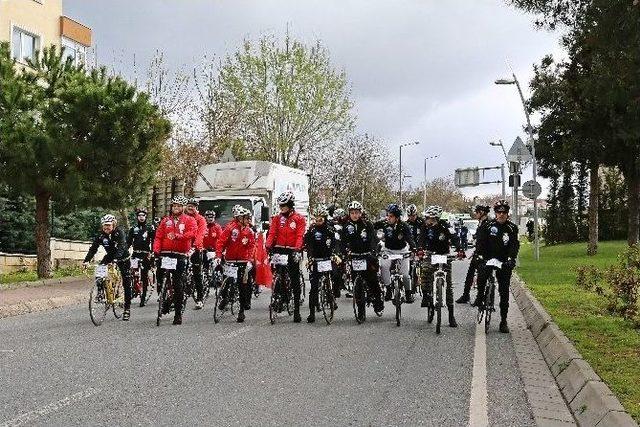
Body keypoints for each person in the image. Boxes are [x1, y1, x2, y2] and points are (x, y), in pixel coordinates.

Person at [474, 199, 520, 333]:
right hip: (488, 258)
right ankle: (481, 298)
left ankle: (503, 320)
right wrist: (479, 255)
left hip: (503, 260)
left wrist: (512, 258)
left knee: (504, 291)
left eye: (504, 212)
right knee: (482, 276)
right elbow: (480, 242)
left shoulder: (511, 228)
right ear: (495, 213)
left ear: (507, 213)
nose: (501, 215)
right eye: (499, 212)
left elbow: (514, 245)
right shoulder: (487, 226)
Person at [153, 196, 198, 325]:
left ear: (183, 208)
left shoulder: (189, 220)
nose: (176, 208)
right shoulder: (166, 220)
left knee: (178, 284)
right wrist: (156, 250)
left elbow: (192, 234)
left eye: (178, 206)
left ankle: (178, 314)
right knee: (160, 278)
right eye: (174, 206)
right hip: (165, 253)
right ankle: (164, 299)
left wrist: (179, 236)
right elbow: (158, 236)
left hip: (180, 254)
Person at [265, 191, 306, 323]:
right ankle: (280, 298)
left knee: (294, 278)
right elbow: (272, 233)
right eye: (280, 205)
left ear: (290, 205)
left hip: (293, 250)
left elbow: (300, 236)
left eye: (284, 205)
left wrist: (297, 249)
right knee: (279, 275)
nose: (282, 208)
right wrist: (268, 245)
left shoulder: (299, 219)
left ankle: (297, 311)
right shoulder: (277, 219)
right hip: (280, 249)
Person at [83, 214, 133, 321]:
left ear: (113, 225)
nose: (106, 228)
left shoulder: (119, 232)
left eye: (108, 225)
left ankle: (127, 308)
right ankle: (101, 292)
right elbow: (93, 248)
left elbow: (122, 246)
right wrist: (86, 261)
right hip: (109, 256)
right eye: (104, 225)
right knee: (99, 270)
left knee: (126, 281)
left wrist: (116, 259)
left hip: (123, 257)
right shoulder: (101, 235)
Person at [340, 201, 384, 321]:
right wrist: (343, 253)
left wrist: (373, 252)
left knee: (372, 281)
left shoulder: (367, 224)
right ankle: (361, 311)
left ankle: (378, 302)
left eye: (357, 213)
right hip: (355, 257)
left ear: (361, 213)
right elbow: (343, 243)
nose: (355, 215)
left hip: (367, 256)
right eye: (352, 213)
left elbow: (373, 240)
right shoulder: (346, 226)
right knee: (357, 286)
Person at [215, 206, 256, 323]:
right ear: (239, 218)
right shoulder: (230, 228)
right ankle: (224, 298)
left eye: (249, 218)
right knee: (226, 281)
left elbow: (252, 246)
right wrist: (218, 256)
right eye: (246, 218)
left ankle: (241, 310)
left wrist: (249, 260)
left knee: (242, 286)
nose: (248, 220)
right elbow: (221, 242)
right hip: (230, 260)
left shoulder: (249, 231)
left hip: (243, 261)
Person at [419, 206, 457, 327]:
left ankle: (451, 316)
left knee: (448, 287)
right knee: (424, 271)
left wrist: (460, 249)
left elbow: (455, 237)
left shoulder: (445, 226)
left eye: (428, 218)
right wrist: (420, 249)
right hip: (430, 255)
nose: (426, 220)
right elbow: (421, 239)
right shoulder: (425, 227)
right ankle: (426, 295)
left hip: (444, 255)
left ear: (435, 218)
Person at [304, 204, 339, 323]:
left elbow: (335, 243)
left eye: (320, 219)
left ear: (324, 219)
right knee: (313, 287)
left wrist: (335, 254)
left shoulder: (330, 229)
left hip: (328, 257)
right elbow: (307, 244)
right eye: (316, 219)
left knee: (334, 275)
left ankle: (332, 297)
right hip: (316, 259)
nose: (318, 221)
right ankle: (312, 313)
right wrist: (309, 257)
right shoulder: (312, 230)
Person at [375, 203, 416, 303]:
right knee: (384, 267)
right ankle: (388, 289)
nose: (388, 218)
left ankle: (408, 293)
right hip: (388, 250)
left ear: (397, 218)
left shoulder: (404, 226)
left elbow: (410, 239)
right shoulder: (384, 223)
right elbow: (372, 227)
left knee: (405, 275)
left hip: (402, 251)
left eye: (391, 216)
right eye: (387, 215)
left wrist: (414, 249)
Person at [456, 205, 491, 304]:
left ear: (481, 213)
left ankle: (480, 298)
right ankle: (466, 295)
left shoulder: (487, 224)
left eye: (476, 212)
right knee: (470, 274)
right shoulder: (481, 223)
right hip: (478, 252)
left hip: (485, 254)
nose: (475, 214)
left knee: (480, 276)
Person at [126, 207, 155, 307]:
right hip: (135, 254)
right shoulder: (133, 229)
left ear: (146, 217)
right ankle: (133, 290)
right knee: (131, 273)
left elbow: (154, 241)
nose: (141, 217)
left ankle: (143, 297)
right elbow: (128, 242)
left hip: (145, 254)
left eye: (143, 215)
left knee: (144, 275)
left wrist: (152, 253)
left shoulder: (150, 228)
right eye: (139, 216)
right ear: (137, 217)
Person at [185, 198, 207, 310]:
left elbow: (200, 234)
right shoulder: (183, 218)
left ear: (196, 208)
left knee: (197, 274)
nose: (190, 207)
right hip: (183, 248)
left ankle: (200, 298)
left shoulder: (201, 219)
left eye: (192, 206)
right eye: (188, 205)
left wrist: (194, 247)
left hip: (196, 249)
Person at [202, 210, 223, 286]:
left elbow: (221, 239)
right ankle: (205, 275)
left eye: (212, 217)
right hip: (204, 249)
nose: (210, 219)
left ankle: (219, 277)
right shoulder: (203, 226)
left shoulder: (217, 227)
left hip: (214, 250)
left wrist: (219, 249)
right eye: (208, 217)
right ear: (205, 217)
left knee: (219, 263)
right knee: (204, 263)